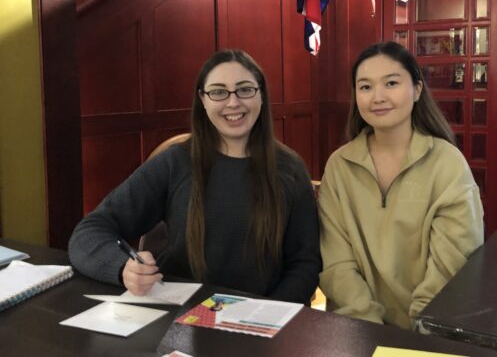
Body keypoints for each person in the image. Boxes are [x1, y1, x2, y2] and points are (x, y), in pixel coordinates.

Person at [69, 50, 321, 304]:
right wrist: (122, 267)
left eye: (245, 90)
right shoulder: (175, 161)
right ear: (202, 99)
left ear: (262, 95)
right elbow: (89, 232)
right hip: (180, 314)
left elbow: (305, 264)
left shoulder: (290, 168)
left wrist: (269, 314)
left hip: (261, 321)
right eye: (218, 92)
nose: (233, 103)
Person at [318, 41, 484, 329]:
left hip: (429, 332)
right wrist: (367, 327)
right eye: (365, 87)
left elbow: (452, 264)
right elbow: (336, 263)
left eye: (391, 83)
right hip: (357, 329)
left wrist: (416, 335)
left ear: (417, 89)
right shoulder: (339, 165)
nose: (377, 97)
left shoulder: (447, 163)